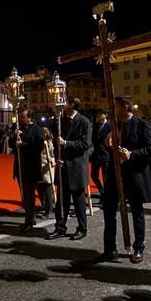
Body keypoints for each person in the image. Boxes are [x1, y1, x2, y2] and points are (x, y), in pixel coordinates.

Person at [100, 97, 151, 263]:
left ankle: (138, 247)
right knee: (109, 211)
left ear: (126, 107)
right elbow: (104, 141)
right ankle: (110, 248)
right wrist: (107, 143)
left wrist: (132, 154)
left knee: (136, 212)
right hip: (114, 175)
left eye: (116, 107)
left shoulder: (142, 124)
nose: (113, 110)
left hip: (134, 175)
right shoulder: (114, 124)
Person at [46, 98, 93, 241]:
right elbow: (54, 137)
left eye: (65, 102)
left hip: (77, 166)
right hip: (63, 165)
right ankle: (60, 227)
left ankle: (82, 228)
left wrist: (66, 143)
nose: (62, 105)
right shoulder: (61, 120)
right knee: (62, 200)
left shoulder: (84, 121)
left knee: (78, 201)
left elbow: (85, 144)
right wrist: (57, 156)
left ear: (73, 105)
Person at [12, 109, 45, 232]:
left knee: (29, 196)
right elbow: (12, 145)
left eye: (23, 117)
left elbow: (38, 147)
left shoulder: (37, 130)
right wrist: (15, 135)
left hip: (30, 168)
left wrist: (23, 144)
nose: (21, 119)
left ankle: (29, 221)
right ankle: (30, 218)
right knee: (24, 196)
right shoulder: (20, 129)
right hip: (20, 167)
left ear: (30, 118)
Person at [90, 109, 110, 199]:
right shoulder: (95, 125)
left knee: (106, 177)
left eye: (101, 114)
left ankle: (106, 197)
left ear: (105, 115)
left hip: (105, 155)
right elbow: (93, 139)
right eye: (98, 114)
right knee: (93, 175)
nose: (99, 116)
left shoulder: (109, 125)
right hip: (96, 155)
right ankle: (102, 192)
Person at [39, 126, 56, 219]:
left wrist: (52, 160)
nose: (44, 134)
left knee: (48, 190)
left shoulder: (50, 143)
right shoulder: (39, 142)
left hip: (47, 168)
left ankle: (49, 210)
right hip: (39, 168)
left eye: (45, 132)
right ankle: (45, 207)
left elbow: (54, 155)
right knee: (40, 189)